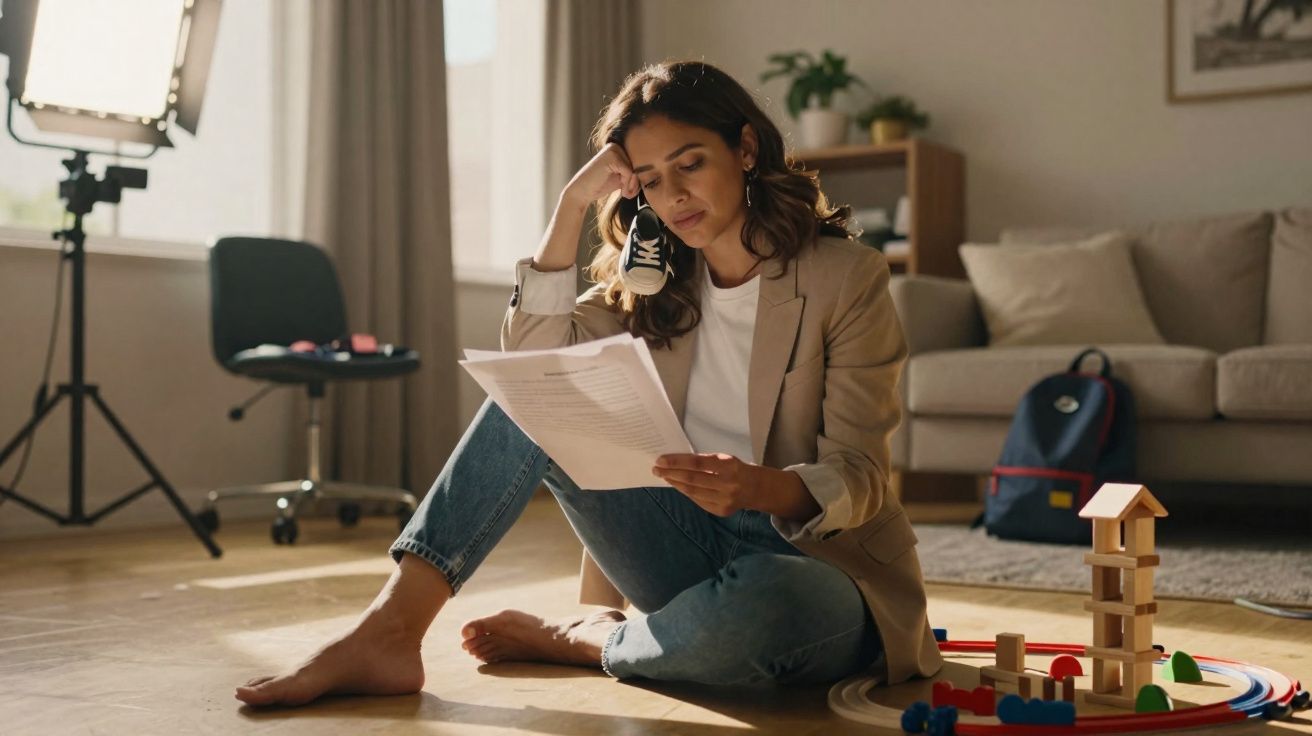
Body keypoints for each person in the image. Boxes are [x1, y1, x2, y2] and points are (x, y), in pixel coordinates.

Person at [234, 60, 942, 708]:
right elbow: (531, 364)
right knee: (534, 394)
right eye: (652, 179)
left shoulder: (845, 278)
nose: (674, 195)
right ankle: (391, 628)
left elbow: (859, 474)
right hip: (678, 545)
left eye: (690, 164)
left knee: (776, 606)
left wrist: (761, 487)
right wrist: (571, 209)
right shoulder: (654, 283)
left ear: (746, 149)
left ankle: (588, 641)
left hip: (812, 562)